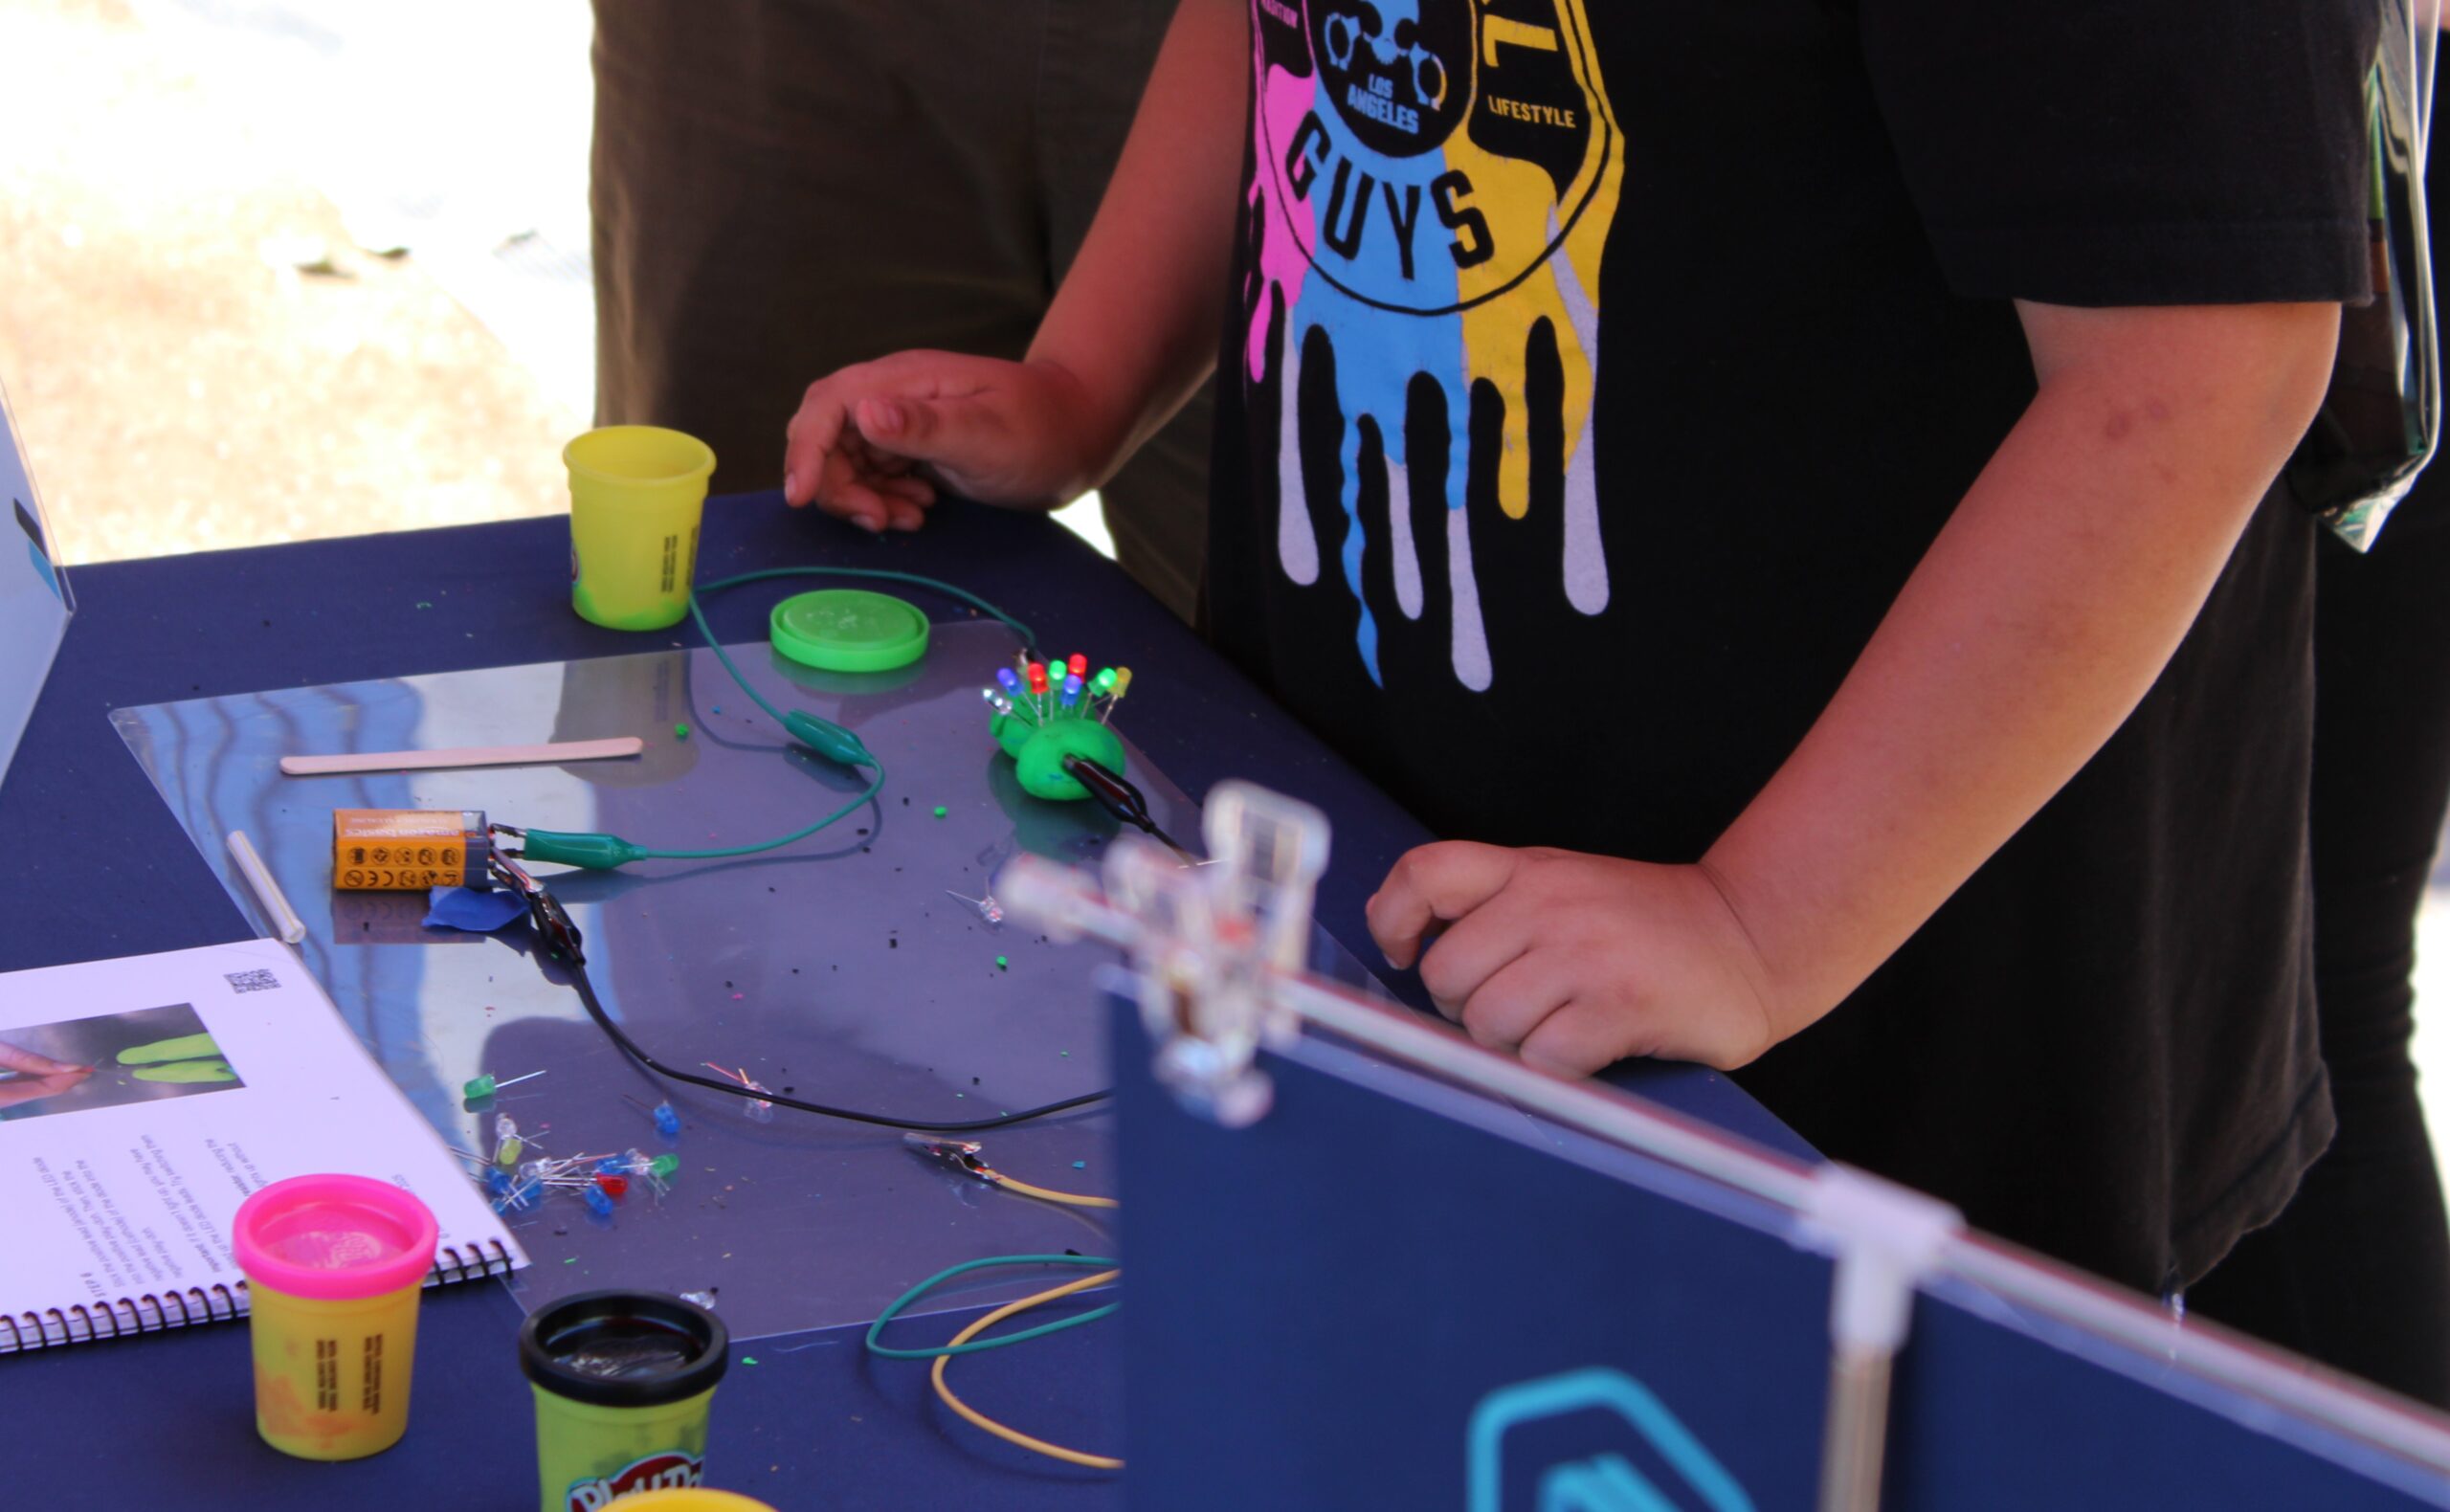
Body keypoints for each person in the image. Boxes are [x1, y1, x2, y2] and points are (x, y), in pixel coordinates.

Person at [780, 0, 2372, 1308]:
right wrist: (1084, 377)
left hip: (1854, 1083)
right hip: (1389, 919)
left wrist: (1757, 924)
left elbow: (2201, 366)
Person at [588, 0, 1212, 623]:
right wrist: (1079, 397)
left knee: (1239, 649)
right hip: (777, 30)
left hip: (1231, 52)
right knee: (711, 587)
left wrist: (1081, 398)